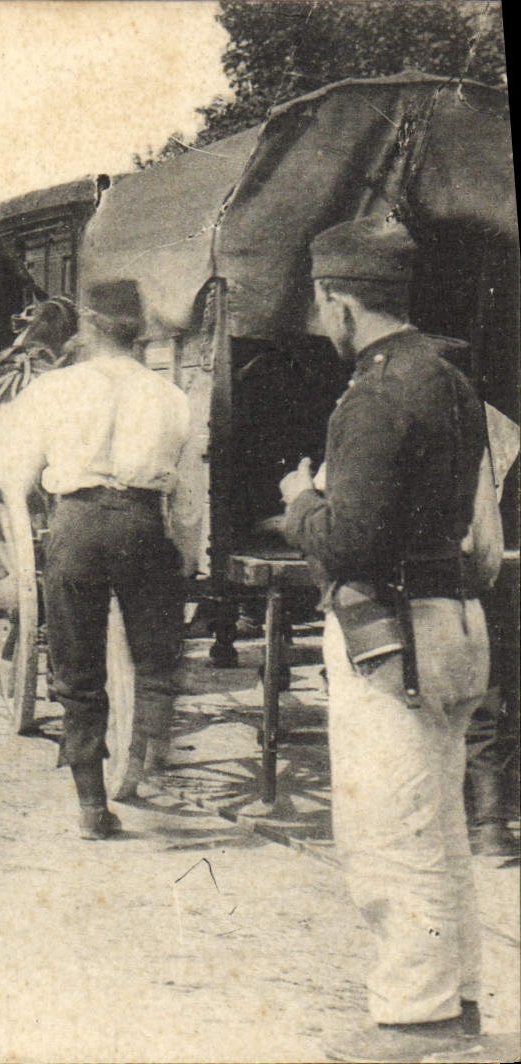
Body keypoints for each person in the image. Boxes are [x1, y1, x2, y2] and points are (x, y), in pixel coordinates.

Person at [278, 218, 498, 1064]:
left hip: (389, 641)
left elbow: (350, 544)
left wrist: (303, 498)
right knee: (438, 828)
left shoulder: (373, 395)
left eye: (322, 304)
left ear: (339, 301)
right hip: (453, 625)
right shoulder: (451, 379)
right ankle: (457, 1004)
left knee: (388, 835)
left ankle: (415, 1025)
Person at [0, 279, 190, 839]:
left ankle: (92, 808)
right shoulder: (170, 396)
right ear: (138, 333)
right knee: (154, 659)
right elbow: (187, 493)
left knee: (78, 667)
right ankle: (145, 761)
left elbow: (10, 471)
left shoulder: (54, 390)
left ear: (89, 328)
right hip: (144, 526)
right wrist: (185, 554)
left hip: (77, 526)